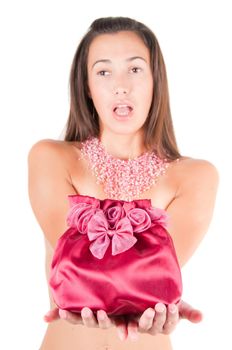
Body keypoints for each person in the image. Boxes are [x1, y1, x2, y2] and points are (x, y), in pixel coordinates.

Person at [28, 16, 219, 350]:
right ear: (86, 86)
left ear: (155, 80)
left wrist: (153, 285)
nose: (121, 85)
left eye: (134, 69)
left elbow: (148, 278)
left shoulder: (195, 176)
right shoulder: (51, 158)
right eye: (103, 71)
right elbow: (95, 269)